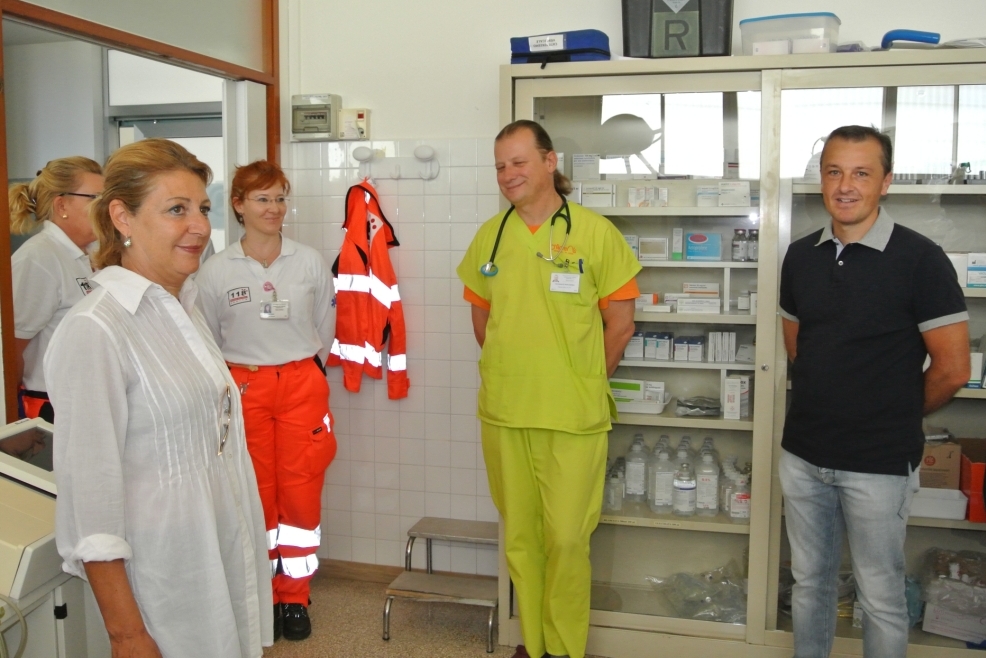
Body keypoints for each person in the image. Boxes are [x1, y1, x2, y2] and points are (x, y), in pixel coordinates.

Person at [45, 138, 273, 657]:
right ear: (122, 217)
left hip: (213, 563)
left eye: (203, 208)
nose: (199, 226)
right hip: (161, 590)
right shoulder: (96, 329)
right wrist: (128, 636)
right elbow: (91, 506)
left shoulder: (181, 308)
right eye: (177, 210)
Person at [779, 125, 970, 658]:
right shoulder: (800, 257)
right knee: (810, 586)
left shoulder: (920, 259)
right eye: (834, 171)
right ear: (821, 179)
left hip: (880, 463)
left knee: (880, 596)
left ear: (885, 182)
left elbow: (953, 368)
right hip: (804, 456)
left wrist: (891, 410)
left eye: (861, 173)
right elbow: (799, 346)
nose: (845, 185)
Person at [457, 120, 640, 658]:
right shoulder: (491, 236)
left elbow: (622, 324)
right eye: (500, 166)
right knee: (520, 539)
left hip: (574, 417)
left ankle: (563, 649)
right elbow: (481, 320)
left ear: (548, 161)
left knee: (566, 539)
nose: (508, 174)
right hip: (506, 412)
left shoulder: (593, 232)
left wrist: (581, 381)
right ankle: (530, 645)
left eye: (518, 162)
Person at [196, 160, 336, 642]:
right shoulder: (215, 271)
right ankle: (258, 597)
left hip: (300, 382)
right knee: (251, 491)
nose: (274, 208)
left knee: (300, 493)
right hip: (243, 387)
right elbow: (208, 339)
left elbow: (325, 327)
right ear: (238, 205)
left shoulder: (309, 261)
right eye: (263, 199)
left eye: (280, 197)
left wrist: (304, 372)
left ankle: (294, 598)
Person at [9, 157, 103, 422]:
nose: (106, 208)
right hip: (48, 408)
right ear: (62, 205)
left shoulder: (86, 255)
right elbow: (12, 349)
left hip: (83, 402)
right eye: (95, 198)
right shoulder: (39, 259)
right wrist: (13, 418)